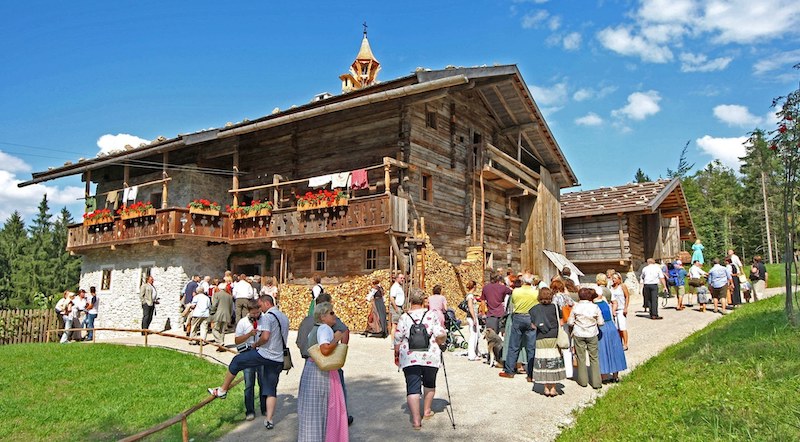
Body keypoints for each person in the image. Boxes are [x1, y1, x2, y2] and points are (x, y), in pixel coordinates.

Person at [209, 295, 289, 431]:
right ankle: (269, 419)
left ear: (266, 303)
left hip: (266, 354)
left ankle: (222, 390)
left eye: (260, 305)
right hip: (278, 358)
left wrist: (256, 344)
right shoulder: (283, 317)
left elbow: (265, 337)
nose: (260, 308)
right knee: (271, 389)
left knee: (237, 361)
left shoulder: (268, 317)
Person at [394, 288, 447, 430]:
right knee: (429, 383)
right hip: (430, 354)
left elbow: (397, 338)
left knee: (412, 387)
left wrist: (396, 353)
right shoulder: (431, 315)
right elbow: (440, 333)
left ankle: (416, 420)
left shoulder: (404, 317)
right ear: (424, 301)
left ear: (410, 300)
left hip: (410, 356)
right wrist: (442, 342)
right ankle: (427, 411)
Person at [297, 302, 349, 441]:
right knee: (322, 409)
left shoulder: (316, 328)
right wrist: (336, 338)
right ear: (323, 316)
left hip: (311, 368)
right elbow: (325, 349)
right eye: (331, 313)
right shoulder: (325, 328)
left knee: (311, 411)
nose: (335, 316)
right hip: (320, 372)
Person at [500, 274, 538, 380]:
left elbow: (513, 304)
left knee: (514, 345)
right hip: (531, 317)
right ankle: (531, 374)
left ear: (522, 281)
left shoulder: (516, 291)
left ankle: (509, 371)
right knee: (531, 347)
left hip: (518, 317)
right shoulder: (536, 292)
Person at [529, 288, 566, 396]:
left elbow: (533, 325)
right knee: (553, 361)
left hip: (541, 337)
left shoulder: (534, 309)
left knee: (543, 361)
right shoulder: (555, 307)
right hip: (553, 336)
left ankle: (545, 387)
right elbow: (561, 322)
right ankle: (553, 388)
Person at [235, 300, 266, 421]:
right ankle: (250, 410)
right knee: (249, 384)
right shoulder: (242, 323)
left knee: (263, 382)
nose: (255, 316)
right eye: (253, 314)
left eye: (257, 313)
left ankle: (264, 408)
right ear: (248, 312)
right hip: (248, 353)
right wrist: (248, 334)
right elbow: (237, 340)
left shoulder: (265, 320)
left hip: (262, 352)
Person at [568, 288, 604, 389]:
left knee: (581, 357)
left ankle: (583, 380)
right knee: (594, 358)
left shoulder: (576, 307)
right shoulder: (595, 307)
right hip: (592, 333)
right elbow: (601, 322)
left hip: (579, 333)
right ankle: (596, 382)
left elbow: (570, 322)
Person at [594, 289, 627, 383]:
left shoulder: (594, 305)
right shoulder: (605, 302)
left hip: (602, 327)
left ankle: (603, 376)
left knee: (602, 351)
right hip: (611, 326)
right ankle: (615, 375)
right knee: (614, 349)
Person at [609, 273, 630, 350]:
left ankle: (625, 344)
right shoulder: (610, 288)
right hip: (613, 309)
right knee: (616, 327)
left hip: (621, 308)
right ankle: (619, 343)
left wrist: (626, 307)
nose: (613, 279)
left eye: (615, 278)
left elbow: (627, 296)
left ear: (619, 279)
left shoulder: (622, 286)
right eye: (612, 278)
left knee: (622, 327)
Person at [210, 282, 234, 351]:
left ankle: (220, 342)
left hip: (218, 314)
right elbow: (231, 307)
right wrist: (230, 315)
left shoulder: (216, 295)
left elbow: (214, 305)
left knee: (215, 329)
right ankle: (221, 344)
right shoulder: (229, 296)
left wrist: (212, 313)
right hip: (227, 314)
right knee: (222, 330)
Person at [464, 280, 481, 361]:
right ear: (474, 286)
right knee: (473, 335)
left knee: (476, 335)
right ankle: (471, 354)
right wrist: (474, 318)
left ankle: (475, 352)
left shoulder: (470, 295)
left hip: (473, 316)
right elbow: (470, 307)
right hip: (472, 317)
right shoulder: (470, 296)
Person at [389, 273, 406, 342]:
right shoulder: (394, 287)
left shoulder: (399, 287)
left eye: (403, 278)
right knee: (395, 325)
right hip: (396, 307)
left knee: (399, 325)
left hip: (400, 307)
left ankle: (398, 340)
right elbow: (392, 298)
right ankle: (393, 342)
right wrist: (396, 308)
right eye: (401, 278)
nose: (402, 280)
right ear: (397, 278)